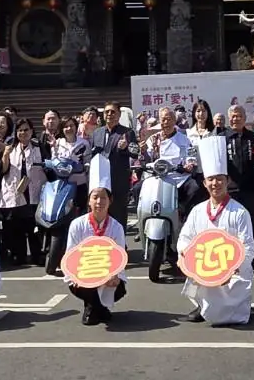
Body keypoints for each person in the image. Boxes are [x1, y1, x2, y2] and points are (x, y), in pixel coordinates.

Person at [178, 136, 254, 326]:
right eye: (211, 179)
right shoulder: (198, 211)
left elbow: (248, 247)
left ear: (227, 181)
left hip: (232, 271)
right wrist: (183, 256)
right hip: (205, 269)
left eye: (220, 179)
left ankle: (233, 307)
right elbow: (185, 238)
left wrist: (231, 269)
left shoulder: (239, 211)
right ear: (205, 183)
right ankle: (202, 305)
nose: (216, 184)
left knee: (233, 314)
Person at [65, 154, 128, 326]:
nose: (99, 201)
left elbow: (120, 257)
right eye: (95, 197)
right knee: (79, 283)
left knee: (118, 285)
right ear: (89, 201)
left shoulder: (116, 227)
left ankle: (99, 307)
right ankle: (92, 306)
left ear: (110, 200)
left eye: (104, 197)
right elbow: (71, 254)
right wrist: (78, 276)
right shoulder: (77, 225)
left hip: (109, 274)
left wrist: (115, 275)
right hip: (84, 273)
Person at [143, 106, 203, 228]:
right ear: (160, 121)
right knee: (138, 189)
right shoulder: (153, 139)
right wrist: (143, 151)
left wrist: (189, 164)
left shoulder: (184, 139)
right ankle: (145, 221)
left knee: (196, 188)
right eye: (164, 119)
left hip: (179, 176)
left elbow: (191, 156)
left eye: (169, 119)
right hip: (158, 177)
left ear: (175, 121)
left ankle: (183, 212)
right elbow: (146, 158)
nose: (166, 122)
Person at [0, 118, 46, 267]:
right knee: (16, 227)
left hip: (35, 192)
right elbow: (2, 170)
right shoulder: (10, 147)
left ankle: (37, 255)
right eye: (20, 130)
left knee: (34, 227)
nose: (23, 133)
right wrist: (5, 154)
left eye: (26, 129)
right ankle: (19, 255)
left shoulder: (40, 147)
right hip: (15, 192)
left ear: (32, 131)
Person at [224, 106, 254, 268]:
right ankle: (230, 257)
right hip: (230, 188)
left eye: (239, 116)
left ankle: (252, 258)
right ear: (228, 118)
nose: (236, 119)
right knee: (229, 224)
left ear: (245, 118)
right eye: (233, 116)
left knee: (251, 222)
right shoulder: (221, 138)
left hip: (250, 186)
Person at [93, 101, 134, 227]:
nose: (109, 114)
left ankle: (121, 244)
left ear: (119, 114)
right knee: (100, 216)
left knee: (119, 216)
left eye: (113, 112)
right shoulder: (97, 132)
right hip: (100, 182)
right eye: (107, 112)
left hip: (118, 181)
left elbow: (135, 152)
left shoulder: (127, 132)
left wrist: (126, 148)